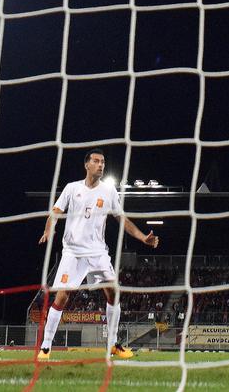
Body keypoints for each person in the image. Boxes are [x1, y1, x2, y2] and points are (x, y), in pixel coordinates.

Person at [36, 148, 160, 361]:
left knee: (114, 292)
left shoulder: (109, 191)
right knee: (62, 296)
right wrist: (49, 230)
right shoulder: (71, 188)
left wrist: (142, 237)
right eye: (96, 161)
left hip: (98, 252)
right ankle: (46, 347)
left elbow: (121, 219)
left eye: (103, 162)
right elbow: (54, 213)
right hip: (73, 252)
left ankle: (112, 345)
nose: (101, 165)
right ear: (87, 165)